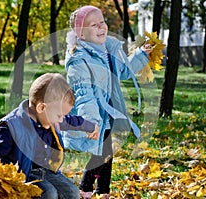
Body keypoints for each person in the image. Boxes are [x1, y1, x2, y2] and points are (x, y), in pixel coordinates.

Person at [64, 5, 153, 199]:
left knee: (106, 152)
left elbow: (123, 71)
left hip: (109, 110)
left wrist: (141, 54)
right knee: (102, 152)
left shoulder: (107, 49)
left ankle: (102, 191)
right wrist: (90, 121)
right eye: (93, 25)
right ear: (81, 33)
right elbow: (84, 94)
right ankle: (87, 189)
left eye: (102, 22)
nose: (100, 27)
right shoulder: (78, 59)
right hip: (95, 112)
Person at [0, 73, 99, 199]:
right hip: (22, 175)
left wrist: (90, 126)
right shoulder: (11, 126)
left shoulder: (51, 118)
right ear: (41, 107)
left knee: (72, 192)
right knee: (49, 193)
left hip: (45, 171)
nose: (61, 121)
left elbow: (70, 120)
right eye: (59, 116)